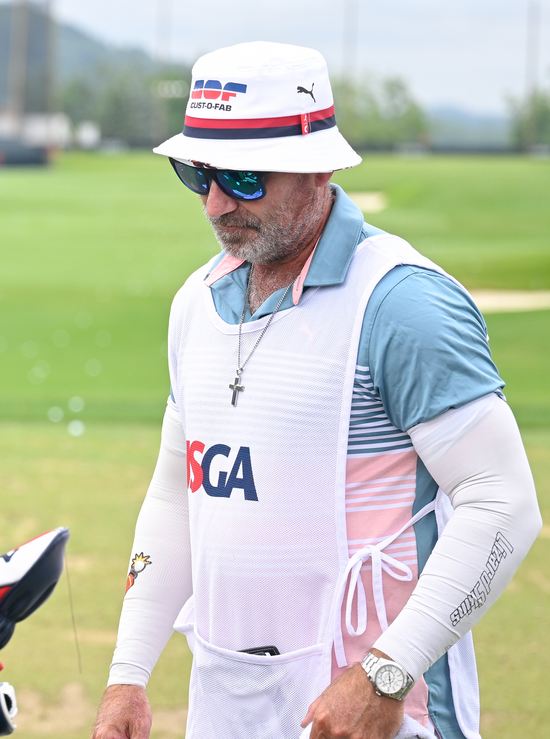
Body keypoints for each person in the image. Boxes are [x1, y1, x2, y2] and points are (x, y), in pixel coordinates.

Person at [91, 42, 541, 739]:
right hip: (227, 703)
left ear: (317, 168)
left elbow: (504, 506)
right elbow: (179, 492)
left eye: (242, 176)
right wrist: (128, 672)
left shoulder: (402, 304)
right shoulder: (197, 301)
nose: (214, 202)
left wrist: (388, 671)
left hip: (382, 714)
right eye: (198, 172)